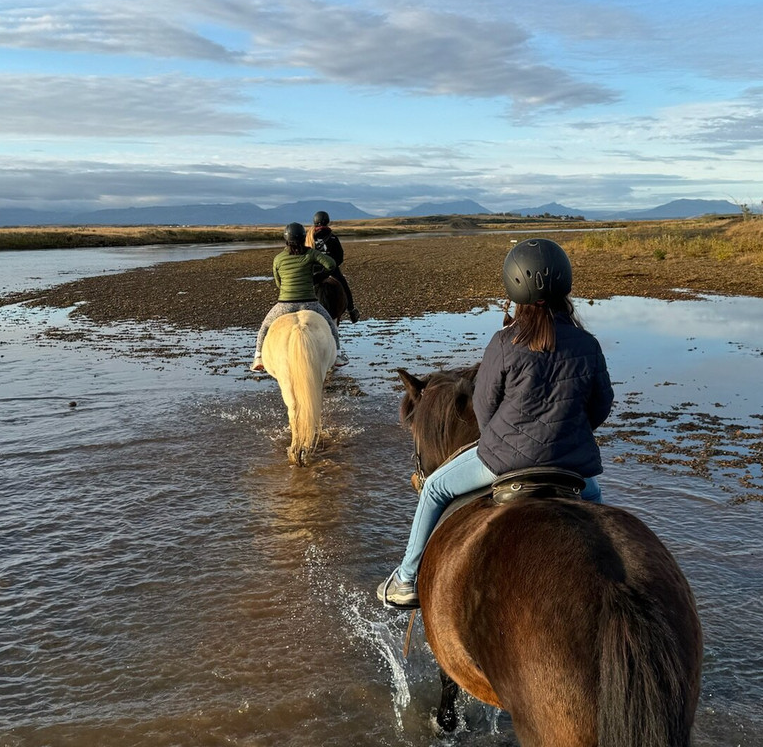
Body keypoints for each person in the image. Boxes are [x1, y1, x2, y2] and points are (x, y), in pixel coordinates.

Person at [376, 238, 614, 608]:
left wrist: (503, 438)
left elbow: (484, 408)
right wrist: (569, 433)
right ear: (564, 285)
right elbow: (601, 407)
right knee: (599, 506)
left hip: (504, 462)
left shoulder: (504, 342)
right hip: (572, 466)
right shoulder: (588, 343)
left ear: (514, 290)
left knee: (436, 488)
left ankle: (407, 579)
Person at [250, 222, 348, 372]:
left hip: (285, 304)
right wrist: (317, 277)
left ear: (286, 240)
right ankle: (338, 356)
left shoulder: (278, 259)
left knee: (265, 327)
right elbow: (331, 264)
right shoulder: (311, 254)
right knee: (330, 324)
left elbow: (278, 284)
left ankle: (258, 357)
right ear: (303, 238)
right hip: (309, 303)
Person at [308, 210, 360, 323]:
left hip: (314, 271)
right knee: (344, 287)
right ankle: (351, 311)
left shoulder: (308, 238)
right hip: (331, 270)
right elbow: (340, 257)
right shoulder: (332, 238)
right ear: (327, 222)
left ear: (315, 222)